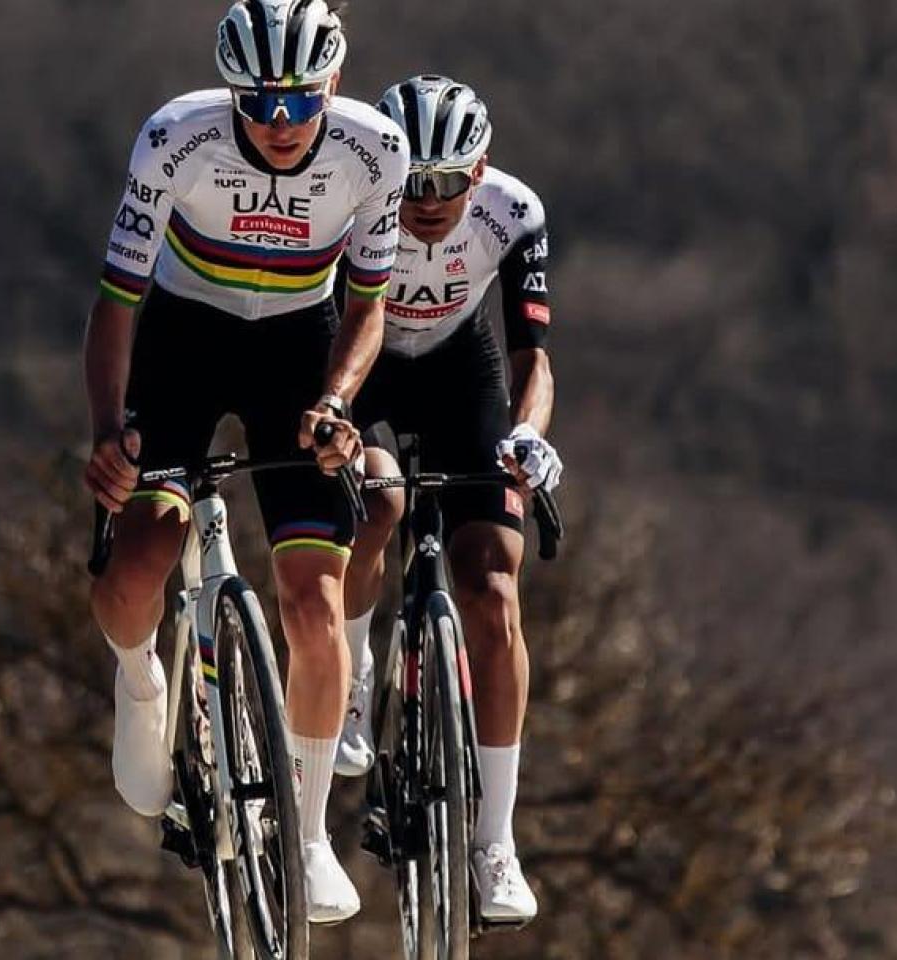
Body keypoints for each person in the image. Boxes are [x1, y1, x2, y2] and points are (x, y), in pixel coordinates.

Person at [82, 0, 408, 924]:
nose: (279, 122)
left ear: (332, 86)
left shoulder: (377, 151)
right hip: (183, 342)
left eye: (300, 102)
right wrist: (107, 431)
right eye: (258, 102)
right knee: (140, 558)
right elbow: (117, 301)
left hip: (297, 351)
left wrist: (336, 403)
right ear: (231, 93)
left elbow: (368, 307)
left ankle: (306, 835)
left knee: (312, 601)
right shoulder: (175, 138)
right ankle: (141, 675)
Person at [335, 75, 562, 924]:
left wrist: (529, 434)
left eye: (447, 182)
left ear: (481, 172)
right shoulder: (351, 197)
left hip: (461, 373)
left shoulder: (514, 213)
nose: (427, 201)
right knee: (380, 503)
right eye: (413, 182)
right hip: (362, 365)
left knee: (493, 590)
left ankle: (495, 840)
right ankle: (353, 670)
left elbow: (534, 356)